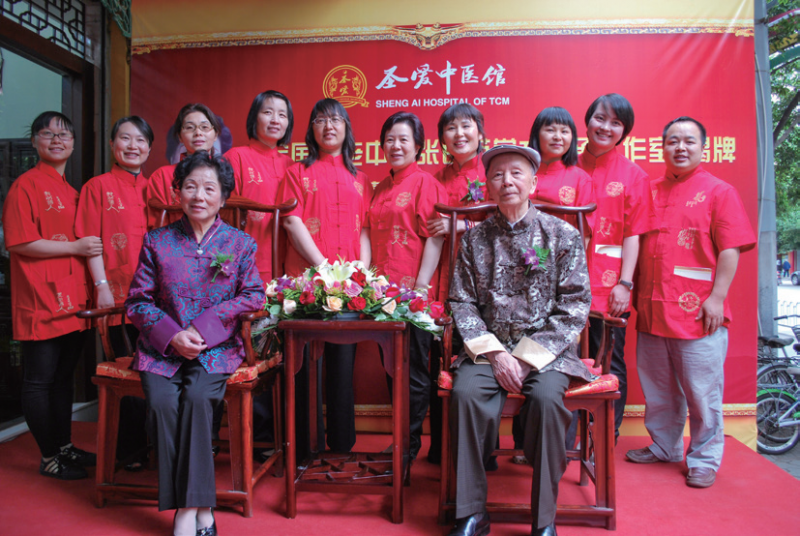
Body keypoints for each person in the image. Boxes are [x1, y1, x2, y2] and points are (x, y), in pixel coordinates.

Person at [447, 145, 591, 536]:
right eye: (497, 175)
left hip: (547, 352)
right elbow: (461, 301)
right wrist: (496, 354)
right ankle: (471, 513)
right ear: (487, 185)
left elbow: (575, 304)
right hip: (488, 349)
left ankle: (544, 520)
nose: (506, 181)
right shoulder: (474, 240)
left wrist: (527, 358)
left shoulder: (562, 235)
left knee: (545, 401)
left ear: (533, 182)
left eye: (516, 173)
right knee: (465, 395)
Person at [126, 151, 265, 535]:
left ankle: (186, 512)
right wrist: (172, 335)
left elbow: (254, 295)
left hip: (215, 349)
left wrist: (203, 329)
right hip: (161, 349)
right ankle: (201, 505)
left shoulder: (240, 243)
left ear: (223, 196)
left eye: (209, 188)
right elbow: (137, 301)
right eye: (190, 187)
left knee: (199, 398)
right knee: (161, 403)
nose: (199, 196)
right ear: (178, 193)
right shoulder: (157, 241)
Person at [627, 117, 756, 489]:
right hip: (653, 309)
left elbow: (730, 248)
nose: (680, 148)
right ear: (662, 147)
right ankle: (664, 446)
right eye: (672, 141)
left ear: (703, 147)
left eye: (688, 141)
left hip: (698, 313)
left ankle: (704, 458)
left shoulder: (719, 192)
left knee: (702, 394)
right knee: (658, 390)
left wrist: (717, 298)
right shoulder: (649, 191)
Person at [2, 111, 100, 479]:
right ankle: (49, 457)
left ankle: (64, 446)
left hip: (72, 297)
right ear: (34, 142)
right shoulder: (25, 185)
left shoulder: (72, 192)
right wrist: (75, 247)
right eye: (47, 134)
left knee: (62, 379)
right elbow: (19, 242)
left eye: (63, 135)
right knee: (40, 380)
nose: (56, 140)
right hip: (40, 297)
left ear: (72, 144)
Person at [277, 98, 373, 455]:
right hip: (307, 281)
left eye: (335, 120)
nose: (328, 126)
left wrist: (360, 271)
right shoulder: (296, 173)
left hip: (348, 285)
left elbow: (365, 228)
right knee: (304, 366)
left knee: (342, 364)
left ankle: (342, 444)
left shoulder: (361, 179)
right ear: (311, 130)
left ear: (346, 128)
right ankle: (304, 446)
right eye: (320, 120)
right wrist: (323, 267)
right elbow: (291, 221)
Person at [75, 116, 155, 469]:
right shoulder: (97, 187)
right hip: (117, 296)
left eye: (140, 140)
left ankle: (153, 446)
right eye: (125, 138)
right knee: (126, 373)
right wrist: (101, 286)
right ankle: (129, 452)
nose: (133, 146)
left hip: (156, 300)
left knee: (154, 372)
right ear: (112, 144)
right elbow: (90, 241)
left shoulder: (155, 189)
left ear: (149, 148)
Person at [368, 111, 447, 460]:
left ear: (418, 146)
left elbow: (435, 237)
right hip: (382, 296)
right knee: (392, 368)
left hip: (413, 296)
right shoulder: (381, 188)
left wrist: (422, 286)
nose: (396, 146)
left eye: (403, 139)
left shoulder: (425, 183)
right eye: (390, 139)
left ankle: (408, 445)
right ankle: (402, 440)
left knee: (414, 370)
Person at [578, 93, 655, 440]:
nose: (605, 127)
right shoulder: (566, 166)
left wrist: (625, 283)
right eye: (600, 118)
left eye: (616, 123)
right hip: (562, 283)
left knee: (609, 358)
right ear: (587, 120)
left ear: (625, 131)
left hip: (609, 284)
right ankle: (564, 433)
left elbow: (633, 234)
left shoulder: (634, 176)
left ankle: (606, 433)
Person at [426, 103, 490, 464]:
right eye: (451, 128)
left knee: (480, 361)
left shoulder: (493, 172)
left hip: (484, 285)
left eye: (467, 126)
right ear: (442, 139)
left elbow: (509, 221)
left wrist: (464, 226)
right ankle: (441, 448)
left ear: (480, 132)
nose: (459, 134)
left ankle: (483, 452)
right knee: (440, 362)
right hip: (444, 281)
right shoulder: (435, 178)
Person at [226, 89, 294, 282]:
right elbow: (225, 216)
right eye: (268, 112)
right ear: (254, 118)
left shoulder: (291, 165)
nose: (275, 120)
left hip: (287, 263)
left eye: (282, 115)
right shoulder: (236, 157)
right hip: (246, 262)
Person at [147, 103, 221, 229]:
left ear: (216, 134)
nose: (198, 132)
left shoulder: (224, 174)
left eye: (204, 127)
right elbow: (156, 226)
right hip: (173, 241)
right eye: (190, 127)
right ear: (180, 137)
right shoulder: (162, 176)